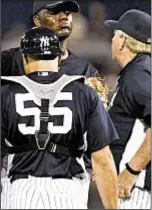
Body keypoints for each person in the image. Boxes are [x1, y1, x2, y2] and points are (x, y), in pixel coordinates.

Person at [1, 27, 118, 209]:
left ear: (24, 58)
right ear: (58, 57)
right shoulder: (85, 93)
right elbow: (103, 160)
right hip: (67, 194)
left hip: (19, 194)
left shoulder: (5, 94)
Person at [104, 9, 151, 209]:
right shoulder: (139, 71)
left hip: (137, 191)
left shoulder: (137, 76)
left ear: (123, 41)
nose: (112, 41)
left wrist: (131, 172)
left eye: (115, 35)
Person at [1, 0, 98, 80]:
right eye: (54, 13)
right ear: (37, 21)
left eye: (67, 13)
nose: (63, 17)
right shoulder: (8, 61)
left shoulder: (86, 70)